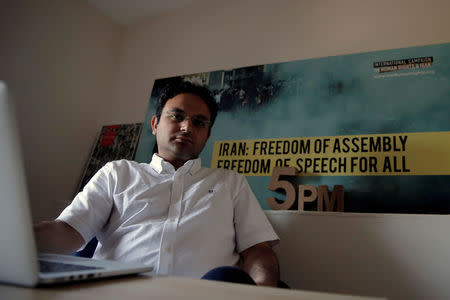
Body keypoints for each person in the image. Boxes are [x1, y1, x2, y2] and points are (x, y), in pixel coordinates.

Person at [34, 81, 281, 287]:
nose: (186, 127)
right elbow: (67, 232)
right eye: (177, 116)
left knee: (226, 278)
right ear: (155, 124)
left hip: (204, 296)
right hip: (116, 294)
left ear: (207, 135)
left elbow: (258, 251)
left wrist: (264, 295)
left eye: (199, 122)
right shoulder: (118, 173)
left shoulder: (231, 182)